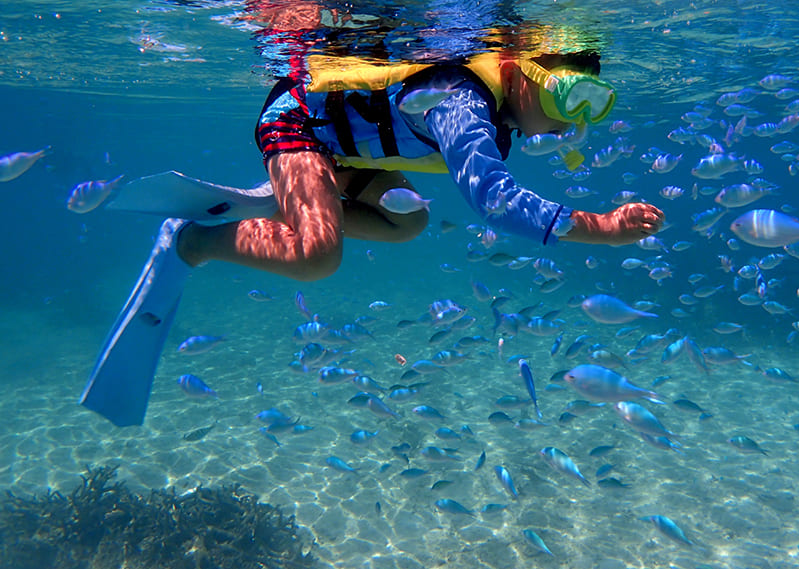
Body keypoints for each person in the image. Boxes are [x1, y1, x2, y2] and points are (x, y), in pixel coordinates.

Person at [80, 44, 664, 427]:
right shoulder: (462, 102)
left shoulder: (491, 108)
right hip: (298, 126)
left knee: (407, 222)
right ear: (518, 70)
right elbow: (495, 201)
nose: (576, 118)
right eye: (568, 95)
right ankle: (193, 241)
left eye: (594, 103)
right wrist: (604, 229)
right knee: (317, 257)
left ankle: (303, 200)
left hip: (343, 152)